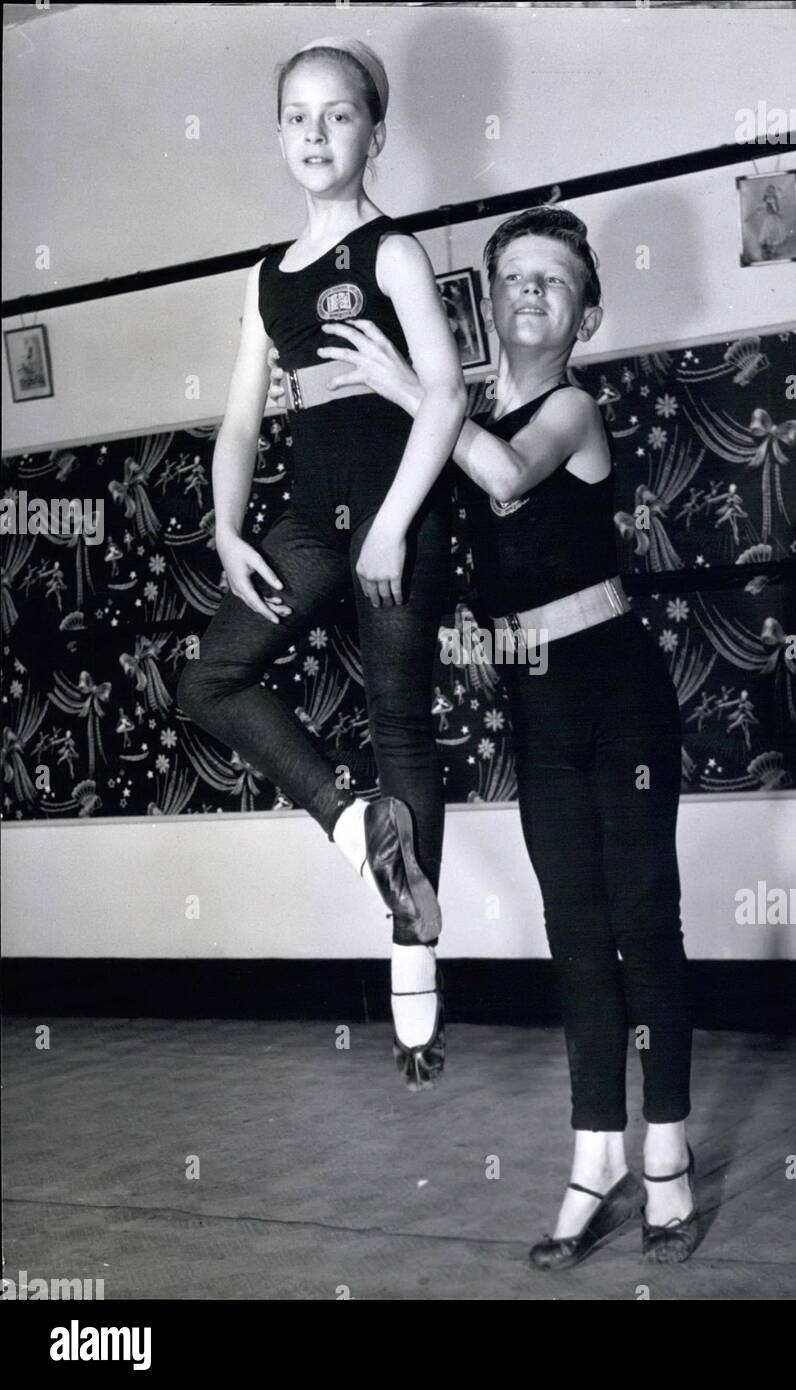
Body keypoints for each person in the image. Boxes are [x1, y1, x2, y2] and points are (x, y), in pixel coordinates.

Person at [269, 206, 699, 1268]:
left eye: (554, 281)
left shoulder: (574, 410)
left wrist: (415, 388)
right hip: (538, 708)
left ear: (585, 312)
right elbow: (402, 492)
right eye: (513, 276)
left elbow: (507, 474)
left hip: (621, 693)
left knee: (645, 931)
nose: (530, 293)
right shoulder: (446, 427)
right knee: (574, 938)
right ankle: (595, 1158)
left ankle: (670, 1163)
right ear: (487, 300)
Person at [176, 37, 466, 1092]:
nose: (314, 131)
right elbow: (241, 425)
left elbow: (444, 394)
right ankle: (352, 822)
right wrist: (224, 529)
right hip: (307, 521)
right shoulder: (266, 281)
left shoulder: (392, 253)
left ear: (373, 135)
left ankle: (413, 981)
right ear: (278, 135)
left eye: (337, 114)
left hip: (402, 517)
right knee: (207, 678)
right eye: (297, 115)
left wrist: (393, 524)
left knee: (400, 726)